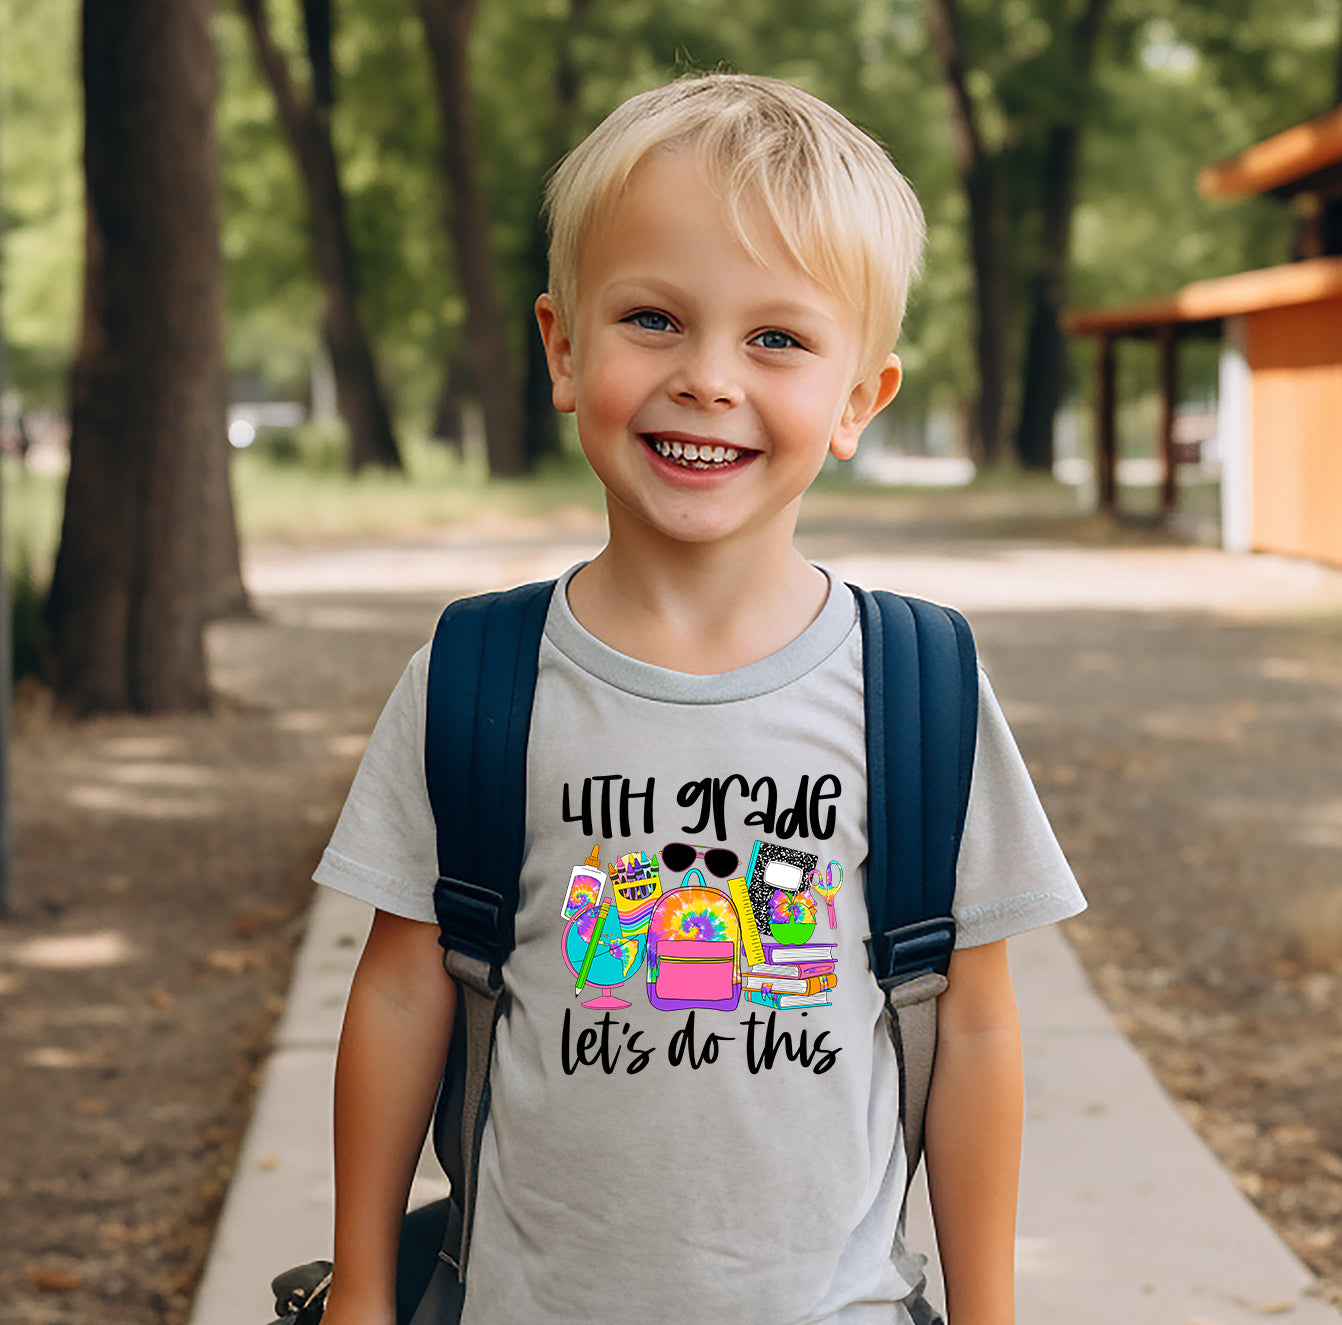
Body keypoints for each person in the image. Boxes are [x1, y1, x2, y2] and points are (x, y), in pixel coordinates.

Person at [313, 73, 1085, 1325]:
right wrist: (359, 1294)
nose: (708, 379)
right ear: (564, 347)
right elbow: (402, 990)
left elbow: (977, 1029)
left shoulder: (919, 689)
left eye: (775, 337)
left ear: (855, 401)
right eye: (655, 319)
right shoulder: (477, 675)